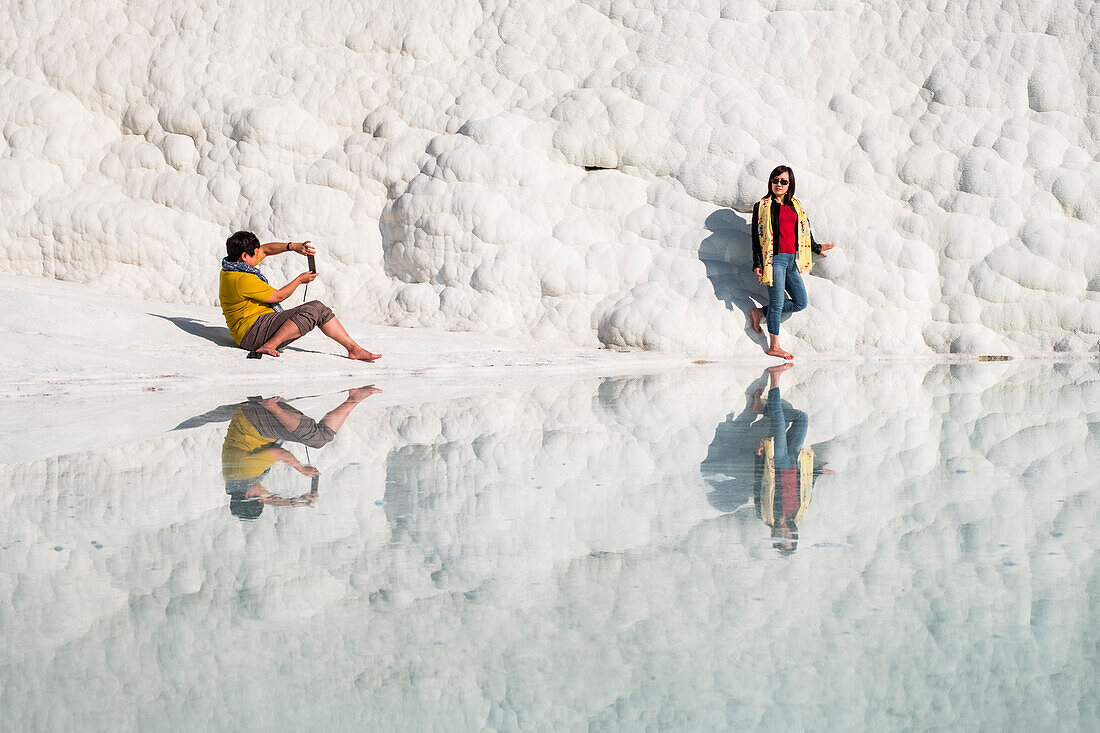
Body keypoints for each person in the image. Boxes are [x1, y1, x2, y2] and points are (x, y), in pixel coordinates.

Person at [219, 230, 381, 360]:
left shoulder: (234, 266)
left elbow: (265, 250)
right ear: (245, 256)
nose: (258, 255)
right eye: (255, 254)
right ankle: (270, 345)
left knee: (320, 310)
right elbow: (278, 297)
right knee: (312, 310)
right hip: (252, 333)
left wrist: (293, 246)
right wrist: (299, 280)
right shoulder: (241, 278)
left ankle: (354, 349)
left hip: (258, 325)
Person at [221, 387, 381, 519]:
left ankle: (353, 398)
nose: (262, 495)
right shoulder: (237, 483)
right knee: (315, 434)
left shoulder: (245, 473)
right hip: (256, 423)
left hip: (254, 418)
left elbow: (278, 453)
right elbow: (270, 499)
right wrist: (296, 502)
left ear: (249, 496)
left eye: (258, 496)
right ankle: (274, 408)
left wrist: (301, 469)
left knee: (318, 438)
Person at [748, 166, 835, 360]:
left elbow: (805, 230)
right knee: (778, 303)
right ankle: (774, 346)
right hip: (774, 259)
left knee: (800, 302)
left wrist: (816, 248)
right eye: (775, 179)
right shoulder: (762, 206)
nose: (778, 184)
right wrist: (758, 263)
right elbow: (756, 236)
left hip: (790, 260)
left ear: (789, 185)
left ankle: (759, 312)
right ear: (770, 182)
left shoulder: (795, 206)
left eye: (783, 181)